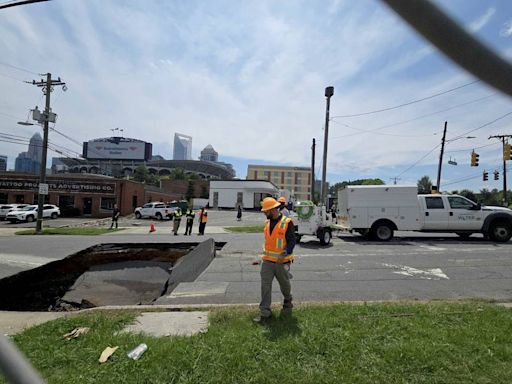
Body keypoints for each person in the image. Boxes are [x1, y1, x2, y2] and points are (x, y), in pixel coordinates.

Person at [253, 197, 295, 324]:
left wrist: (286, 252)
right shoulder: (267, 223)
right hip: (267, 261)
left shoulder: (287, 222)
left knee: (284, 285)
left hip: (281, 262)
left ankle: (288, 300)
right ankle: (265, 313)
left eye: (266, 211)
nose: (264, 213)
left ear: (272, 210)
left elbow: (292, 241)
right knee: (265, 286)